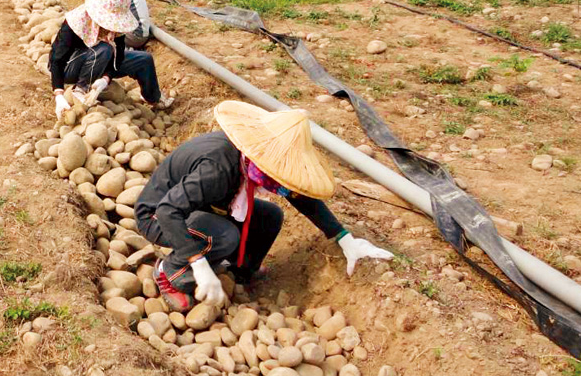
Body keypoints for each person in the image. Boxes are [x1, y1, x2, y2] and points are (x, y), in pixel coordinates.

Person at [135, 101, 393, 312]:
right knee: (225, 236)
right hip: (159, 216)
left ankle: (238, 272)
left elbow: (298, 196)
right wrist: (199, 266)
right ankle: (170, 272)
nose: (279, 181)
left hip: (204, 206)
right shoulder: (217, 169)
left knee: (270, 216)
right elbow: (169, 210)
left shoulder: (249, 159)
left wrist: (344, 238)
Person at [50, 0, 174, 118]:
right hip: (71, 68)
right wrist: (59, 95)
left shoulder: (117, 28)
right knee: (105, 48)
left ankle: (153, 98)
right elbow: (57, 60)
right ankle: (81, 89)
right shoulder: (75, 22)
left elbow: (118, 55)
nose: (114, 28)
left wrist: (105, 78)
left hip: (103, 60)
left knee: (144, 60)